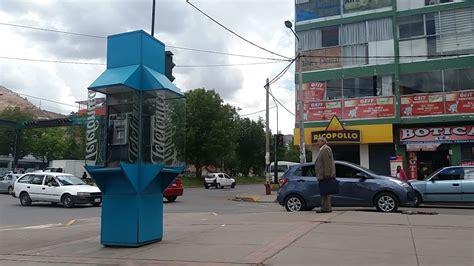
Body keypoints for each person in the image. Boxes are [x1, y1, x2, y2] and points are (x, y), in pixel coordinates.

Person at [314, 137, 336, 213]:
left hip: (325, 176)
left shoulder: (325, 149)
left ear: (323, 142)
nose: (317, 143)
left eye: (318, 141)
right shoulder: (323, 149)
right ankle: (326, 208)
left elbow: (327, 162)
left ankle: (325, 208)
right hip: (323, 175)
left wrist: (327, 174)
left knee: (325, 192)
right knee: (324, 192)